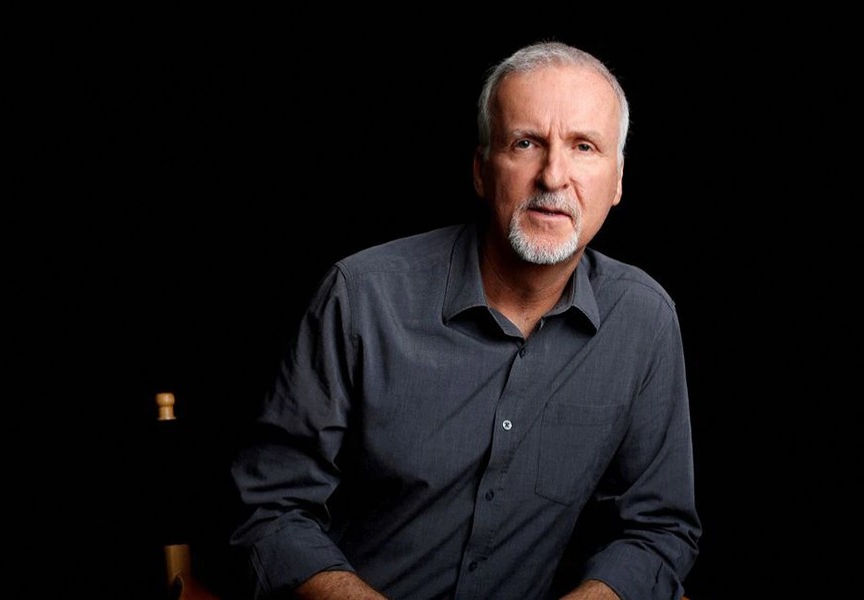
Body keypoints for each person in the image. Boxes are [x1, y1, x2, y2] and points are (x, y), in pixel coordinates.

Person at [230, 40, 701, 600]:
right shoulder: (361, 298)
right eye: (526, 143)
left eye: (584, 147)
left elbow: (658, 530)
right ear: (482, 170)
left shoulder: (642, 320)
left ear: (618, 181)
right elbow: (270, 510)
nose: (553, 176)